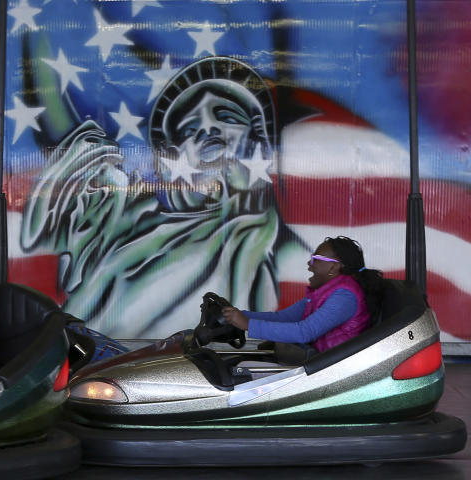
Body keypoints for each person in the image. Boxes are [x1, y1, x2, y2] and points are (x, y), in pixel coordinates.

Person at [21, 56, 303, 337]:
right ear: (172, 162)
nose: (207, 128)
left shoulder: (286, 252)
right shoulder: (130, 222)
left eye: (227, 116)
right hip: (101, 366)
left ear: (261, 143)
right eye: (190, 129)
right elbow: (52, 108)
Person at [222, 236, 383, 352]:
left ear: (334, 268)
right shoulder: (322, 294)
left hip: (336, 370)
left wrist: (247, 324)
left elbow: (304, 332)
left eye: (315, 259)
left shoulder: (344, 297)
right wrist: (237, 316)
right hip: (324, 362)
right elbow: (283, 318)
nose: (309, 264)